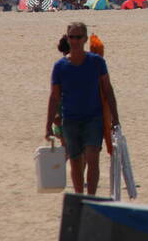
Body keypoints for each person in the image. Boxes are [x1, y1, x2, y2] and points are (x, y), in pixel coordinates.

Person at [46, 22, 119, 195]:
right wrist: (48, 124)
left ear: (85, 39)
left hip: (94, 118)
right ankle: (79, 197)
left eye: (78, 37)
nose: (75, 41)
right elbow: (54, 96)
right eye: (72, 37)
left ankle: (91, 198)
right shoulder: (60, 66)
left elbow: (108, 89)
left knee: (93, 157)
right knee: (76, 161)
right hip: (70, 120)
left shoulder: (97, 62)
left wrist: (115, 117)